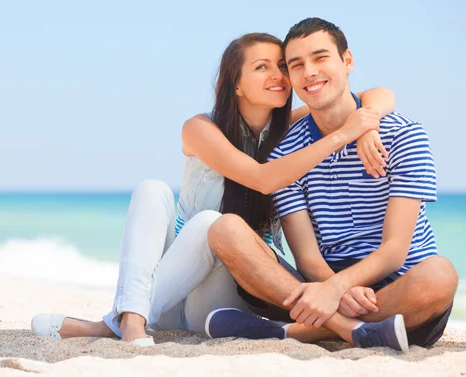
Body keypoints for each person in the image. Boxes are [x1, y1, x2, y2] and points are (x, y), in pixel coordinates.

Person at [30, 32, 395, 347]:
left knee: (212, 223)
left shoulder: (290, 128)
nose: (279, 75)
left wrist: (368, 125)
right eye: (262, 67)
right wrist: (345, 134)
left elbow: (378, 94)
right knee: (153, 190)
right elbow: (263, 178)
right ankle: (130, 320)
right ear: (236, 83)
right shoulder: (200, 129)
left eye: (282, 66)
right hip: (172, 289)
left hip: (222, 298)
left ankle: (110, 324)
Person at [206, 18, 458, 352]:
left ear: (347, 61)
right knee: (225, 229)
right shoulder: (287, 153)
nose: (309, 72)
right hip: (321, 284)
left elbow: (395, 251)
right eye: (296, 65)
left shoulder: (403, 135)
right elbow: (308, 258)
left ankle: (299, 332)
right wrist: (333, 287)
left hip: (400, 294)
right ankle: (353, 331)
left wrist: (338, 289)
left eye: (321, 58)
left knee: (440, 275)